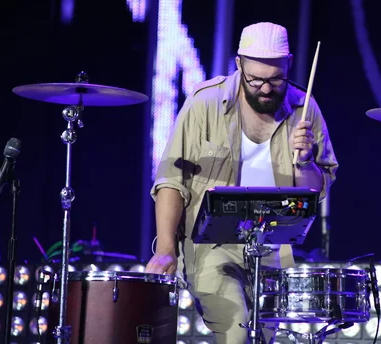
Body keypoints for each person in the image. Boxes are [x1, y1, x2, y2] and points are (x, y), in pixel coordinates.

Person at [145, 22, 338, 343]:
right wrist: (166, 249)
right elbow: (171, 180)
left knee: (262, 338)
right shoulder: (205, 103)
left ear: (288, 64)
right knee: (237, 328)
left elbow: (316, 191)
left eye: (275, 79)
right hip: (212, 247)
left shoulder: (305, 109)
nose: (265, 88)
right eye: (255, 79)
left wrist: (305, 161)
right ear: (239, 65)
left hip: (275, 250)